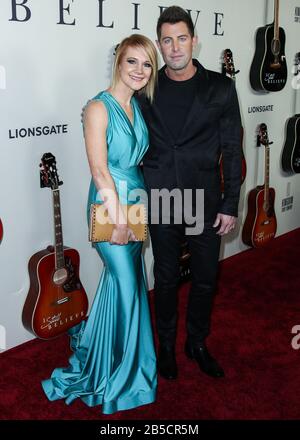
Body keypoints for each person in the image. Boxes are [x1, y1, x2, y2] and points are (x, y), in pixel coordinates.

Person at [41, 34, 158, 414]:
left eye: (147, 64)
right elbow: (99, 169)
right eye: (133, 62)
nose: (140, 71)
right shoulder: (97, 108)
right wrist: (119, 218)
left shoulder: (137, 107)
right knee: (127, 287)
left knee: (130, 281)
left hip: (136, 198)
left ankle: (109, 355)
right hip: (110, 204)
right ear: (118, 62)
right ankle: (121, 377)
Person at [137, 6, 242, 380]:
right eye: (167, 40)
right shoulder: (144, 88)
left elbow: (232, 149)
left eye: (182, 38)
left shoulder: (220, 87)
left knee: (205, 279)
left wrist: (230, 204)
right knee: (165, 279)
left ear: (194, 40)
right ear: (159, 44)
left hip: (203, 198)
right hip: (162, 196)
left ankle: (196, 342)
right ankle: (166, 345)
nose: (175, 47)